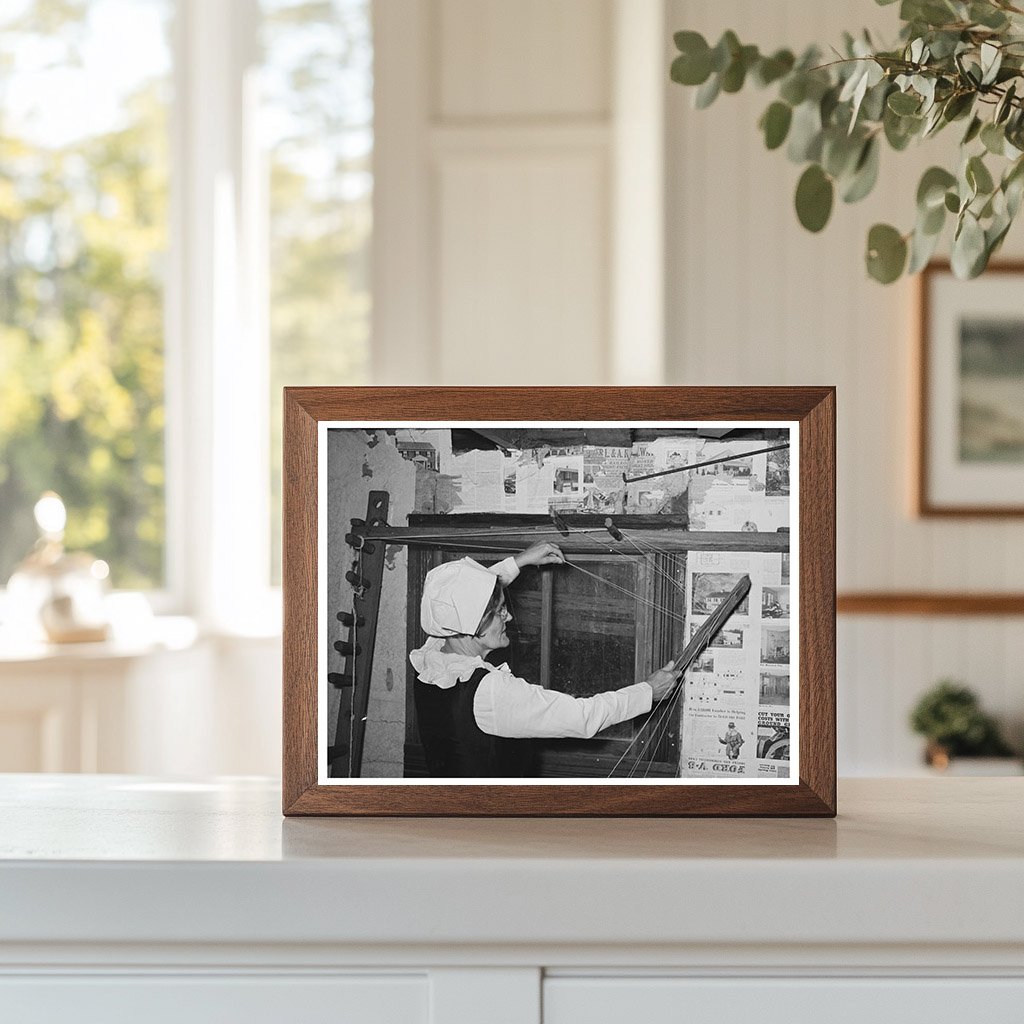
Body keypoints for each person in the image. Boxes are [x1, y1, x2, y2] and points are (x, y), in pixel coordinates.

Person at [410, 541, 679, 778]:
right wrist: (648, 691)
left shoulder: (433, 655)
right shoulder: (491, 693)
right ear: (473, 624)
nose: (509, 617)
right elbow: (583, 717)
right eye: (500, 611)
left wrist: (520, 561)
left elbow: (461, 599)